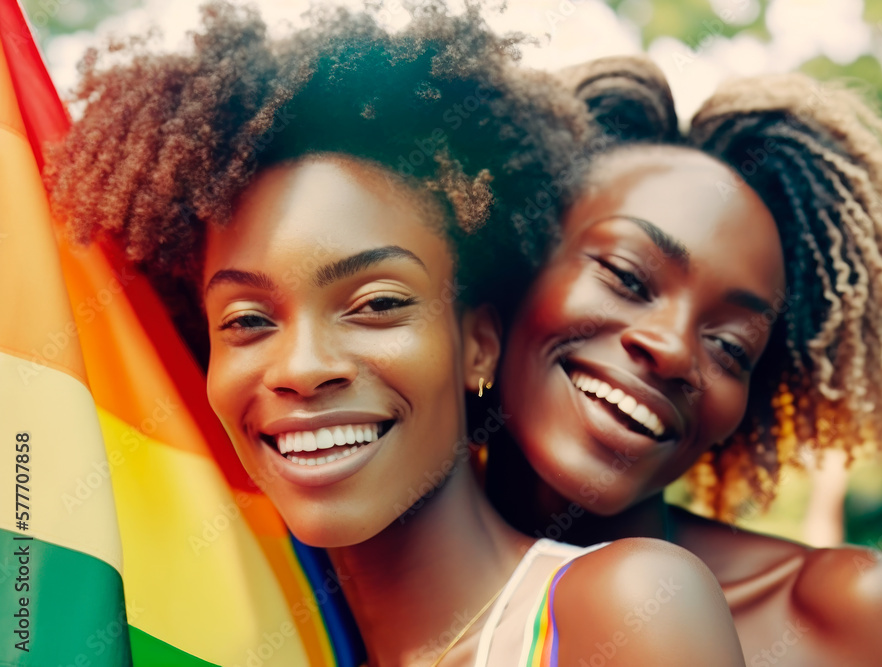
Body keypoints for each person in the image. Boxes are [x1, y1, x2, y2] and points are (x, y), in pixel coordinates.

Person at [45, 6, 747, 666]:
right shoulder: (238, 634)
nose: (302, 367)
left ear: (478, 343)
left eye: (376, 303)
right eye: (248, 320)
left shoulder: (616, 609)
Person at [487, 55, 882, 666]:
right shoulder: (354, 577)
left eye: (730, 347)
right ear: (504, 274)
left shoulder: (854, 621)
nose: (672, 349)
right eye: (625, 276)